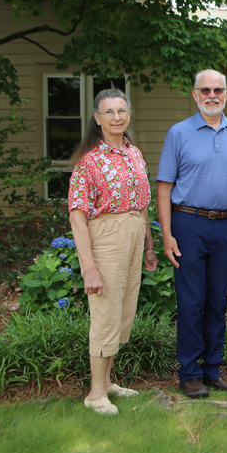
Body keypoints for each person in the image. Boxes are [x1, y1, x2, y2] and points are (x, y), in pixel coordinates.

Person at [157, 69, 227, 398]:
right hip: (189, 224)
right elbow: (164, 187)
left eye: (218, 90)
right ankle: (189, 373)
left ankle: (212, 370)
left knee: (217, 302)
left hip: (226, 226)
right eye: (205, 90)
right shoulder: (178, 133)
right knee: (190, 302)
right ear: (195, 95)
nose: (212, 95)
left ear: (226, 95)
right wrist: (167, 234)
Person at [69, 88, 158, 415]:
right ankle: (95, 393)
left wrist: (149, 246)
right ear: (97, 118)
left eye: (121, 110)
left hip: (134, 233)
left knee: (122, 311)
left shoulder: (133, 153)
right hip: (106, 235)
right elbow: (77, 217)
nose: (116, 117)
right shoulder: (88, 161)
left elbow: (143, 204)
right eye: (109, 112)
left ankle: (106, 381)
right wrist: (88, 267)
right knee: (105, 313)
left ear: (128, 114)